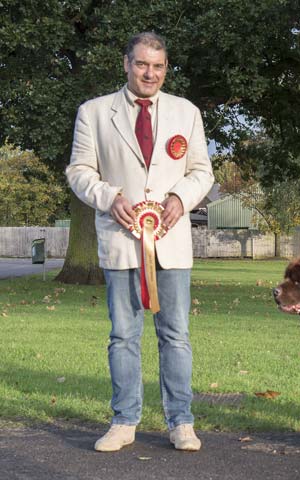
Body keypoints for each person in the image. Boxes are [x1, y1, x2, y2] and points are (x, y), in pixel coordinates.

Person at [66, 32, 214, 452]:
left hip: (171, 244)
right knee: (123, 336)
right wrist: (108, 197)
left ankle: (181, 422)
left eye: (159, 66)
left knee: (177, 336)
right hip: (119, 240)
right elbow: (79, 171)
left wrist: (179, 198)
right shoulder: (93, 113)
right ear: (126, 64)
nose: (150, 73)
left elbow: (202, 172)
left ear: (166, 69)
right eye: (142, 64)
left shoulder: (186, 112)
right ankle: (124, 421)